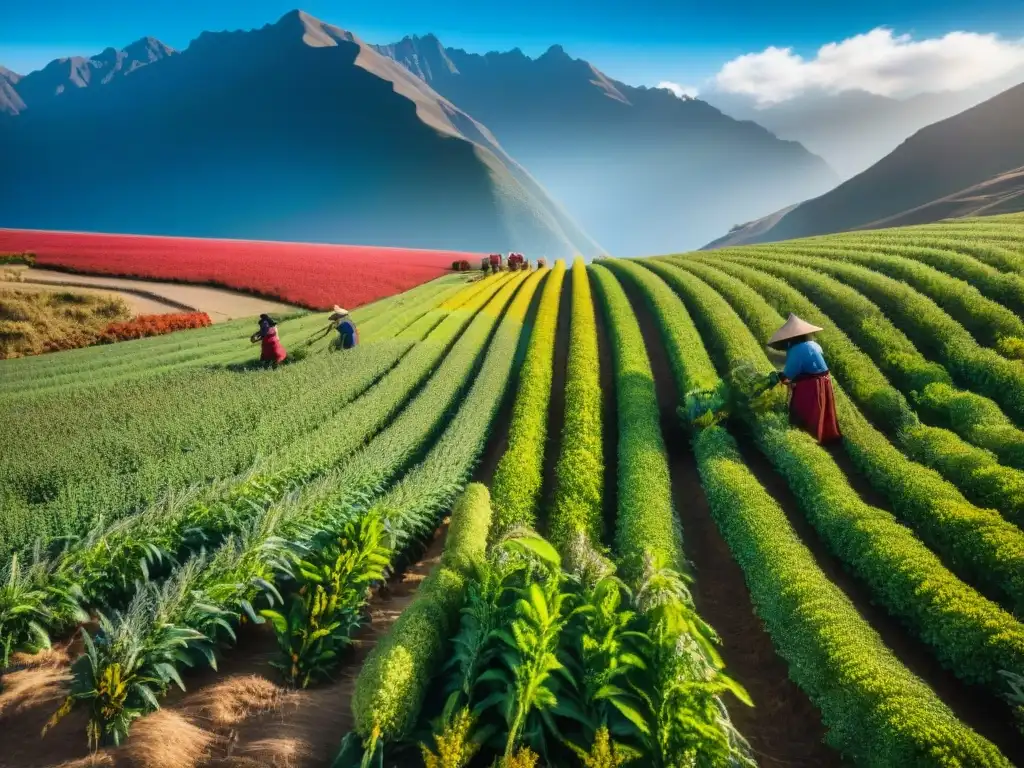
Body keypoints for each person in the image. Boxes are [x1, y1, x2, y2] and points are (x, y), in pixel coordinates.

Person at [768, 313, 841, 444]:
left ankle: (811, 438)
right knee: (823, 409)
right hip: (825, 380)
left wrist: (781, 378)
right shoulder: (813, 344)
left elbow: (789, 373)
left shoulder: (796, 350)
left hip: (811, 384)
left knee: (805, 409)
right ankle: (828, 436)